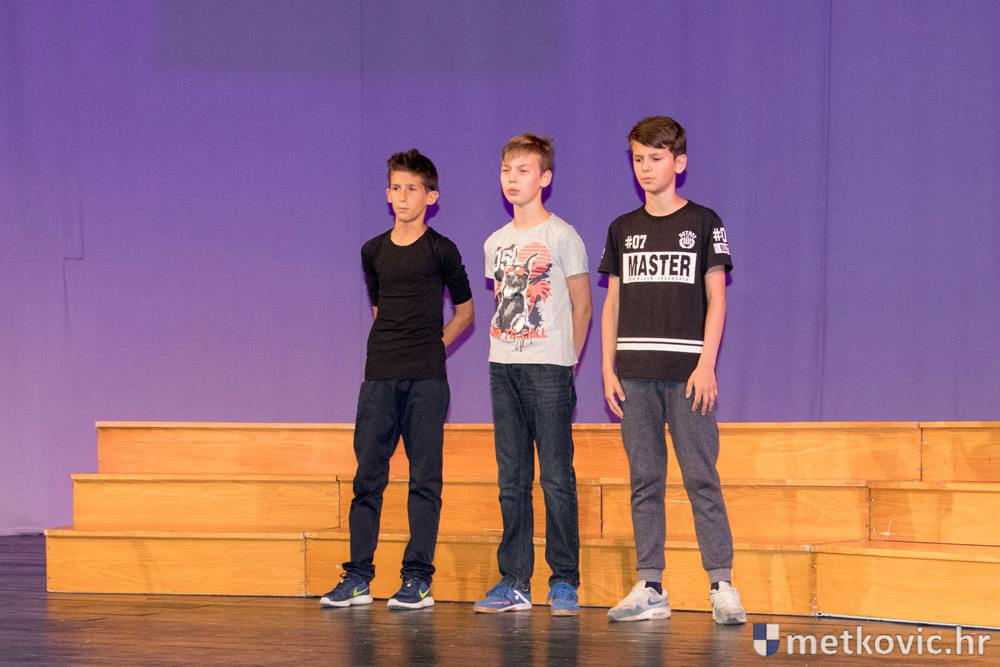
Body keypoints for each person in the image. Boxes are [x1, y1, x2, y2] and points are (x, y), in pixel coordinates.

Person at [599, 116, 746, 625]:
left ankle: (721, 583)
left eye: (656, 158)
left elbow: (717, 298)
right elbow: (613, 303)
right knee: (645, 480)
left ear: (679, 162)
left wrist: (707, 364)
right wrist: (607, 368)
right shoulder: (622, 228)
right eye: (638, 159)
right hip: (635, 375)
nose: (646, 167)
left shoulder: (704, 222)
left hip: (687, 376)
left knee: (701, 477)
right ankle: (651, 585)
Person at [320, 149, 474, 610]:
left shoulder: (442, 250)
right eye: (395, 188)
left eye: (411, 188)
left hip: (426, 380)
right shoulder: (373, 251)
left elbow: (465, 312)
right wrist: (395, 347)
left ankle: (417, 579)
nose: (402, 196)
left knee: (425, 479)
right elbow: (379, 309)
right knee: (368, 476)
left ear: (431, 197)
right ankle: (358, 576)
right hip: (380, 377)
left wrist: (432, 347)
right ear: (387, 194)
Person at [473, 133, 591, 616]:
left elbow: (582, 306)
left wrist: (568, 361)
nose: (512, 179)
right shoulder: (495, 242)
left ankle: (564, 580)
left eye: (523, 171)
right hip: (504, 366)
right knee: (512, 480)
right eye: (507, 170)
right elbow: (503, 303)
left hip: (549, 368)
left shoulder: (563, 236)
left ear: (545, 178)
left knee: (557, 478)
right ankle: (514, 580)